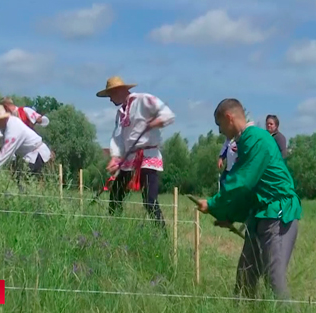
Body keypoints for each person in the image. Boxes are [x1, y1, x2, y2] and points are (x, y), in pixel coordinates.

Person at [195, 99, 301, 300]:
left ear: (229, 118)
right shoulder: (245, 142)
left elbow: (242, 182)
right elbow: (248, 192)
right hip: (259, 214)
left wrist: (212, 204)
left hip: (277, 214)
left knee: (274, 281)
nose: (219, 132)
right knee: (245, 277)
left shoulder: (256, 139)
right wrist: (229, 215)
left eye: (220, 126)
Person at [97, 76, 175, 229]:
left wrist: (157, 122)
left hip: (147, 157)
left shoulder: (143, 100)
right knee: (116, 194)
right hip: (129, 159)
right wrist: (115, 157)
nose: (110, 100)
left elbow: (167, 115)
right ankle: (113, 228)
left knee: (149, 200)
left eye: (110, 95)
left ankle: (161, 235)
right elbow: (118, 137)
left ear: (119, 90)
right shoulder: (120, 113)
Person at [0, 105, 52, 181]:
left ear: (0, 119)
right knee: (20, 179)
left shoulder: (13, 129)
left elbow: (6, 152)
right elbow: (3, 139)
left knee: (22, 180)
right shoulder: (9, 123)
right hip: (32, 155)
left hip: (37, 155)